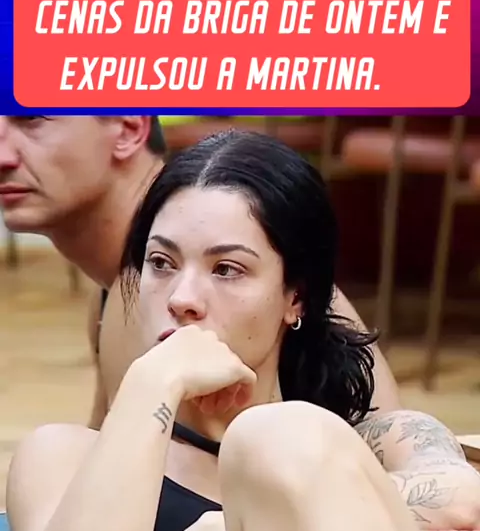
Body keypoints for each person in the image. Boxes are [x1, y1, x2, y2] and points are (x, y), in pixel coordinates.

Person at [6, 130, 480, 531]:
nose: (182, 298)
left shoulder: (373, 440)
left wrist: (237, 522)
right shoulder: (64, 458)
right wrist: (151, 384)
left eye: (227, 269)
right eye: (161, 263)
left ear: (296, 297)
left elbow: (461, 501)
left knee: (274, 437)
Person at [0, 115, 401, 430]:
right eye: (161, 263)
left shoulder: (265, 268)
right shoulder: (117, 297)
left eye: (31, 119)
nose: (3, 155)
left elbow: (392, 453)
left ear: (128, 127)